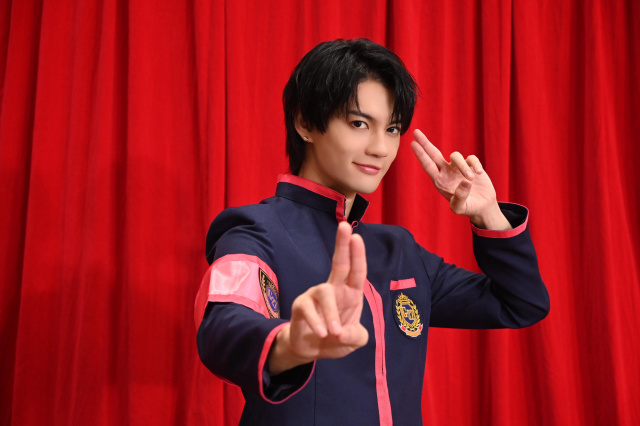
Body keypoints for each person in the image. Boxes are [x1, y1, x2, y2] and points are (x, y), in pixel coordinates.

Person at [195, 38, 549, 425]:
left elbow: (521, 303)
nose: (381, 148)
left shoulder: (399, 250)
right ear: (305, 123)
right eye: (359, 124)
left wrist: (489, 214)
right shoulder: (256, 230)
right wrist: (292, 343)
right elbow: (223, 326)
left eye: (392, 128)